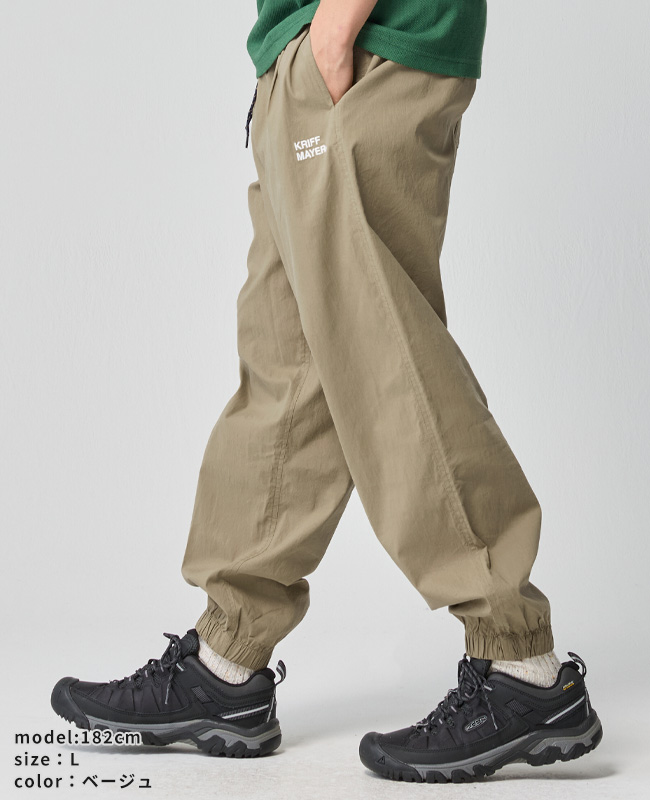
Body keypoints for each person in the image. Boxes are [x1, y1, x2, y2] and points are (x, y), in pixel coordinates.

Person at [51, 0, 603, 782]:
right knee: (288, 370)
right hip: (311, 57)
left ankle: (521, 664)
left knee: (384, 359)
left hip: (366, 44)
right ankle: (224, 667)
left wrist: (335, 34)